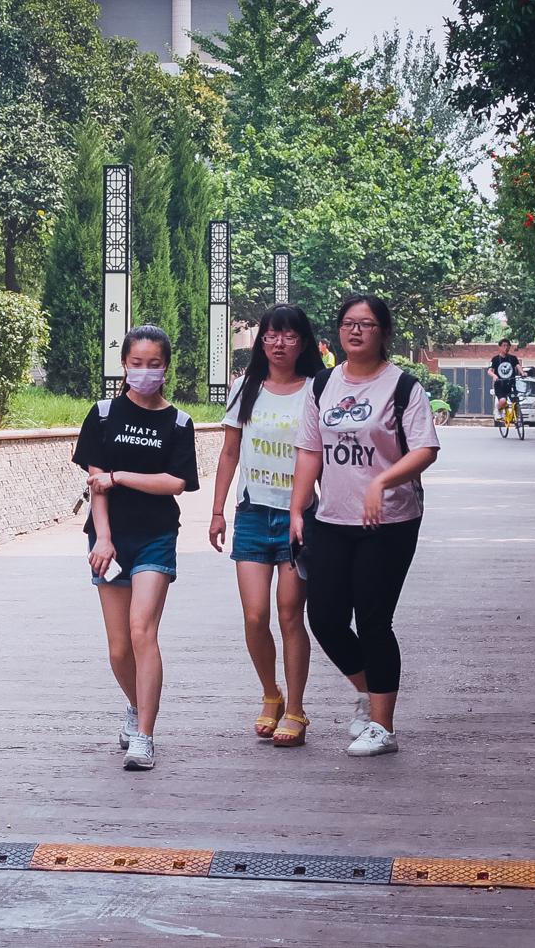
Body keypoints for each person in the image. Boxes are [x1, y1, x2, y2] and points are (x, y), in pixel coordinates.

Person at [290, 295, 441, 758]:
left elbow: (425, 449)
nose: (356, 331)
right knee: (326, 620)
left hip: (389, 521)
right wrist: (298, 510)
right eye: (349, 323)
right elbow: (310, 450)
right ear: (338, 331)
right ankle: (368, 690)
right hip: (331, 518)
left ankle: (382, 726)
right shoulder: (322, 385)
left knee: (374, 621)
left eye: (368, 324)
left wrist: (383, 480)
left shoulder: (403, 387)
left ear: (384, 333)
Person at [74, 324, 202, 772]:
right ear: (124, 365)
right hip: (110, 537)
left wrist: (122, 476)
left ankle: (144, 735)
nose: (144, 372)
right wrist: (103, 538)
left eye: (154, 364)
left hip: (156, 535)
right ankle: (134, 705)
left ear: (166, 367)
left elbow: (177, 483)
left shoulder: (179, 423)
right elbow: (96, 483)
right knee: (118, 647)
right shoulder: (104, 415)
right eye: (136, 363)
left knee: (142, 630)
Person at [208, 305, 322, 747]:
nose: (279, 343)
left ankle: (295, 708)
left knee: (292, 614)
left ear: (303, 342)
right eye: (272, 335)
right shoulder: (246, 387)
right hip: (253, 512)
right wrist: (218, 510)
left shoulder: (317, 389)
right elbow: (229, 452)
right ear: (262, 342)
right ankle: (270, 694)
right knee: (255, 615)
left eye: (289, 336)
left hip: (300, 516)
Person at [488, 338, 523, 422]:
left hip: (511, 385)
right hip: (500, 385)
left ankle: (516, 418)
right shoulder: (495, 359)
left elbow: (518, 366)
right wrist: (494, 376)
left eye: (508, 346)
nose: (506, 348)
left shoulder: (513, 358)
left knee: (516, 403)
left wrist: (523, 373)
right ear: (499, 347)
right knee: (503, 401)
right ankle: (498, 410)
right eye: (504, 346)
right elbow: (489, 371)